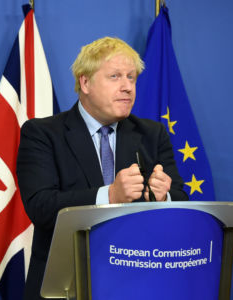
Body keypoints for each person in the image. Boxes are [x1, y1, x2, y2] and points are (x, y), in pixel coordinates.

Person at [16, 37, 188, 300]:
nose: (127, 87)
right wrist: (110, 196)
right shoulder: (43, 133)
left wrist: (165, 196)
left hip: (137, 282)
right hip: (66, 286)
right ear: (85, 83)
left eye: (131, 78)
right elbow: (41, 206)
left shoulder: (152, 134)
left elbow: (180, 197)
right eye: (115, 76)